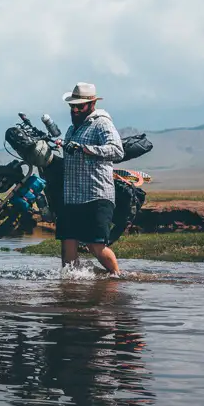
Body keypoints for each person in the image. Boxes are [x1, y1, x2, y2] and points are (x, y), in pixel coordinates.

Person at [57, 82, 124, 276]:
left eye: (80, 106)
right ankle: (71, 291)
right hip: (72, 197)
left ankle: (116, 279)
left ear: (92, 104)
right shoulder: (71, 129)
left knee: (97, 246)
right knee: (67, 245)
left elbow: (117, 150)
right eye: (72, 106)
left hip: (96, 195)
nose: (75, 110)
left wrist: (85, 149)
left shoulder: (101, 123)